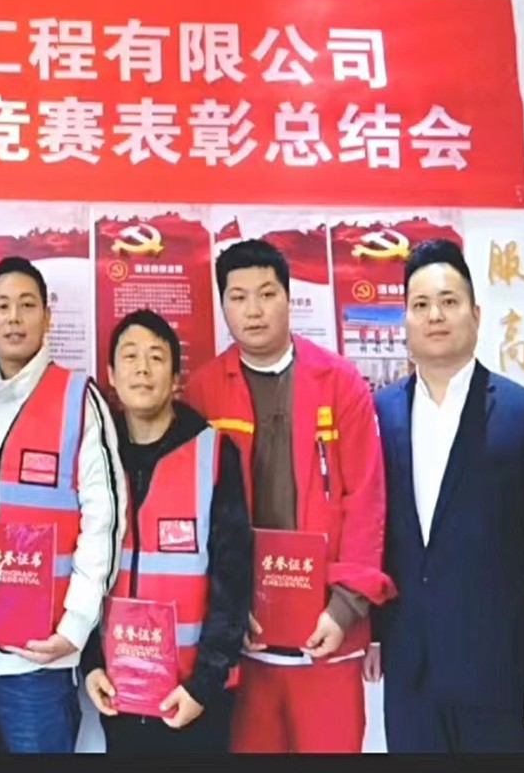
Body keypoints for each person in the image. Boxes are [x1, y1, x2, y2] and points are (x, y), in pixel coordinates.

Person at [182, 239, 395, 753]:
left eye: (266, 293)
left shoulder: (340, 382)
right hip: (244, 647)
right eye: (238, 297)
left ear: (288, 297)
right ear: (223, 305)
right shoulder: (204, 391)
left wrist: (344, 607)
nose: (253, 310)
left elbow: (366, 500)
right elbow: (191, 515)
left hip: (328, 634)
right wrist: (226, 613)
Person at [364, 238, 524, 752]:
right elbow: (374, 532)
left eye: (449, 301)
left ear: (476, 315)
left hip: (500, 676)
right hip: (410, 677)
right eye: (420, 304)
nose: (435, 315)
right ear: (405, 322)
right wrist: (372, 631)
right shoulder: (378, 413)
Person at [0, 256, 128, 753]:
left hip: (41, 663)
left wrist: (76, 626)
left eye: (27, 305)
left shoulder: (79, 399)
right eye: (2, 306)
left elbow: (105, 522)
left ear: (47, 317)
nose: (14, 318)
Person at [83, 310, 251, 752]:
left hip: (195, 699)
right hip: (118, 691)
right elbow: (79, 564)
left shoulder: (213, 452)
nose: (142, 368)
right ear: (111, 375)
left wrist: (203, 686)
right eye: (130, 356)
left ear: (176, 378)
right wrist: (90, 663)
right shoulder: (95, 454)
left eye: (156, 357)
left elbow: (233, 579)